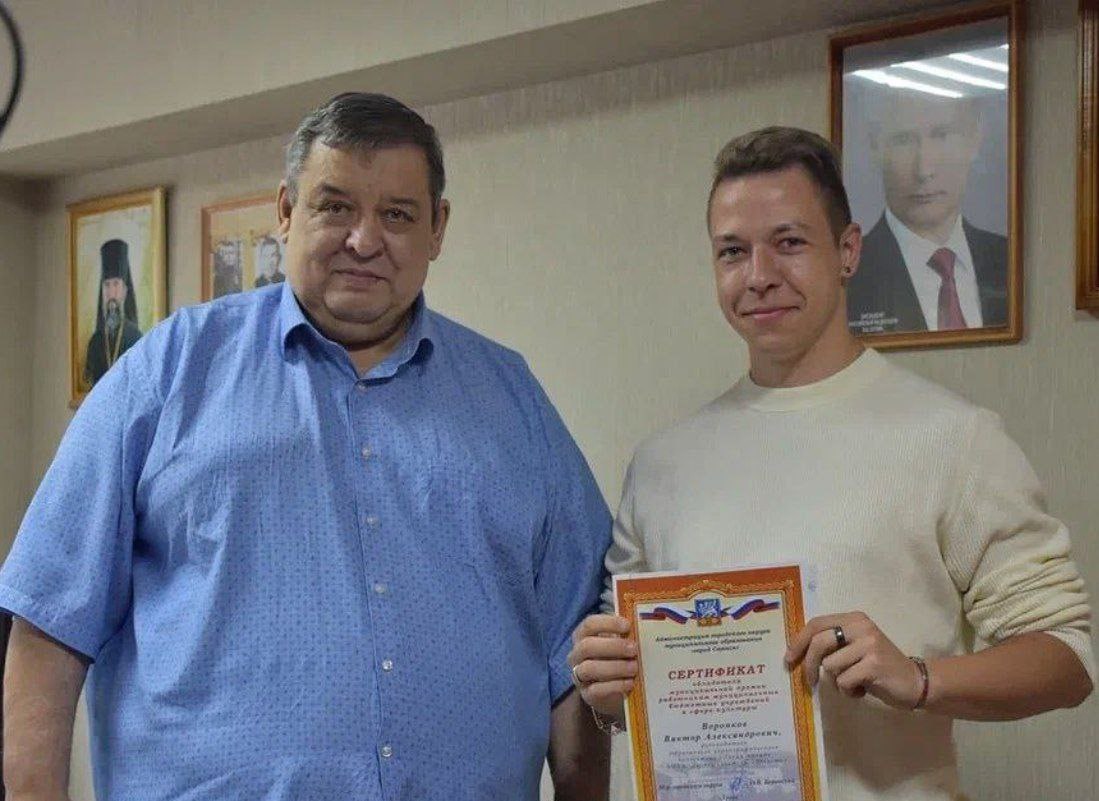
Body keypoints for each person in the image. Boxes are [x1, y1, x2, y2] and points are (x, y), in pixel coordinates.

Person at [2, 93, 611, 801]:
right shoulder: (166, 373)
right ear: (287, 211)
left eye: (397, 214)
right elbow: (48, 627)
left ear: (437, 228)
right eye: (335, 206)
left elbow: (578, 651)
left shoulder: (513, 400)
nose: (364, 240)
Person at [569, 127, 1093, 801]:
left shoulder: (953, 438)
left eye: (788, 242)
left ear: (847, 251)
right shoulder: (660, 464)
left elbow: (1066, 659)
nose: (759, 275)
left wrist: (918, 678)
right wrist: (606, 688)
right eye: (733, 251)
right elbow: (628, 694)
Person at [847, 96, 1008, 334]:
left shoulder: (1010, 262)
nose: (924, 170)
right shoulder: (845, 282)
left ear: (975, 139)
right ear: (874, 147)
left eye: (942, 136)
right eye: (903, 140)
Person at [83, 238, 143, 387]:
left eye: (116, 284)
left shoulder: (136, 338)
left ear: (125, 291)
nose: (111, 292)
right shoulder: (95, 341)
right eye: (107, 285)